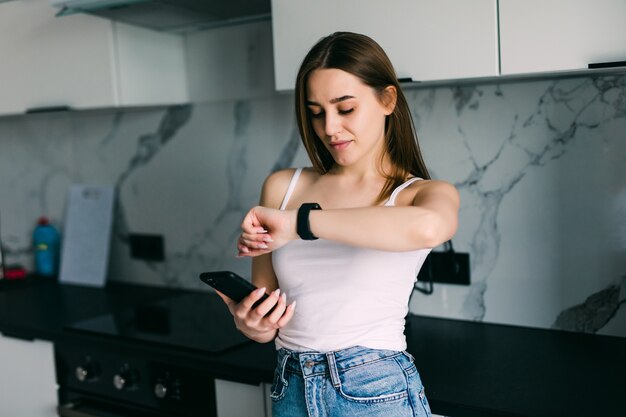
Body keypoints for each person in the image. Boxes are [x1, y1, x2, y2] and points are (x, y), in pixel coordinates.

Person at [216, 32, 459, 417]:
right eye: (316, 112)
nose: (329, 128)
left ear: (387, 100)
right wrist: (252, 324)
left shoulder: (421, 194)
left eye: (345, 109)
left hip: (374, 388)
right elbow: (268, 322)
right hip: (290, 385)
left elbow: (429, 227)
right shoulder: (282, 186)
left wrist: (299, 224)